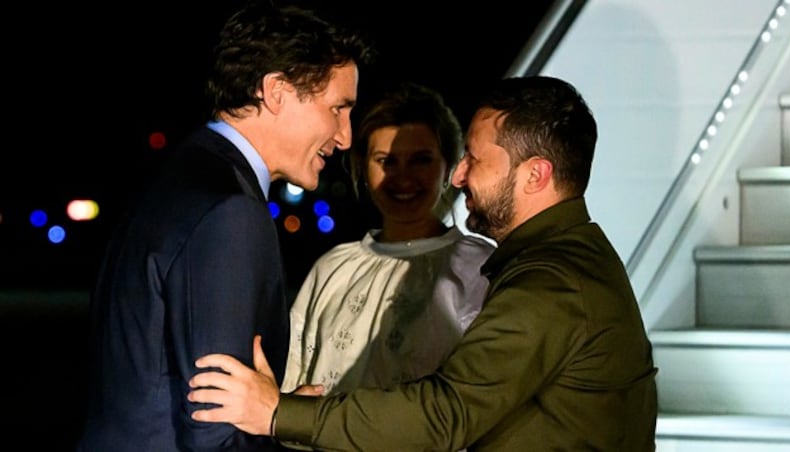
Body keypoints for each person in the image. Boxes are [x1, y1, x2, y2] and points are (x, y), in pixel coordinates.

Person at [187, 75, 659, 451]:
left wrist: (278, 414)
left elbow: (445, 414)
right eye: (383, 160)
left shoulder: (549, 282)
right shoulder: (556, 264)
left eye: (472, 160)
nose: (458, 176)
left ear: (535, 175)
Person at [76, 2, 373, 451]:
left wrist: (277, 406)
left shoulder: (180, 175)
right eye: (338, 108)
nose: (346, 136)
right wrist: (281, 424)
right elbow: (216, 431)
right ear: (276, 91)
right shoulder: (230, 210)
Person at [281, 81, 495, 399]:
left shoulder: (480, 267)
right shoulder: (333, 267)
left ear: (448, 166)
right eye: (386, 161)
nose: (403, 177)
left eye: (421, 160)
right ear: (362, 169)